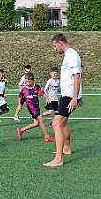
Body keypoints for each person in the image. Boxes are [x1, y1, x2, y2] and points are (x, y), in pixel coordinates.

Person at [43, 33, 83, 167]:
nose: (55, 49)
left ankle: (58, 159)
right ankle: (66, 148)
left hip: (69, 96)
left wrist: (74, 98)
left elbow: (77, 76)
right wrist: (79, 96)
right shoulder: (70, 55)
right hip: (68, 95)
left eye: (55, 46)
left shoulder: (71, 55)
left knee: (56, 124)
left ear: (60, 43)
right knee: (63, 123)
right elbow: (77, 76)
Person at [16, 72, 55, 142]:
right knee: (41, 120)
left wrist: (46, 98)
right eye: (26, 82)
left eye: (29, 82)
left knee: (36, 123)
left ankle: (21, 130)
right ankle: (46, 137)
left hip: (36, 107)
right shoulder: (24, 89)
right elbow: (20, 97)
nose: (27, 83)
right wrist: (19, 104)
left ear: (33, 80)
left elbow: (42, 93)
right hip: (31, 108)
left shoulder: (36, 87)